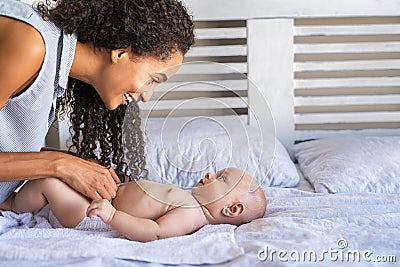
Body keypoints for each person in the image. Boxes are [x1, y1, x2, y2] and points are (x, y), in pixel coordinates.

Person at [0, 0, 195, 203]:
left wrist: (76, 165)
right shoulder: (30, 43)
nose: (146, 95)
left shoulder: (53, 61)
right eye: (153, 79)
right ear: (120, 53)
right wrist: (60, 165)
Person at [0, 168, 267, 242]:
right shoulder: (189, 199)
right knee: (68, 175)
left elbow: (155, 232)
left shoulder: (191, 214)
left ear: (232, 210)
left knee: (48, 180)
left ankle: (9, 204)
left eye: (220, 178)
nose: (209, 174)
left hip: (91, 218)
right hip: (101, 203)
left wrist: (112, 214)